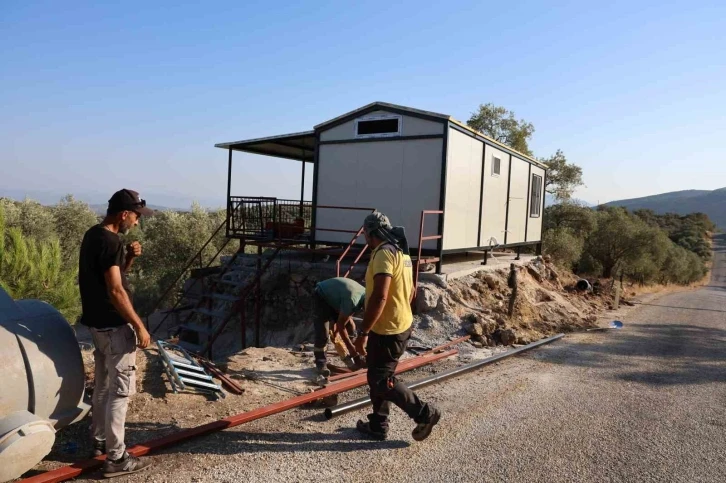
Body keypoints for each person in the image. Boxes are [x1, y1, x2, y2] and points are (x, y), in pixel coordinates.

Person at [78, 189, 153, 478]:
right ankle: (117, 458)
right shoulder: (110, 242)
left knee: (103, 387)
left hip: (97, 327)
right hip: (115, 328)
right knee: (120, 394)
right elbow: (115, 289)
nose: (136, 223)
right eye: (135, 217)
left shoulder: (93, 234)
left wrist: (129, 258)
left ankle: (99, 442)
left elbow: (111, 276)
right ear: (124, 214)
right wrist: (139, 325)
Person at [354, 211, 441, 441]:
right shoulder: (401, 252)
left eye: (365, 233)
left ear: (370, 233)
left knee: (382, 379)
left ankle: (425, 413)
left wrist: (363, 331)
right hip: (398, 324)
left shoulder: (383, 254)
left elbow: (379, 297)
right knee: (377, 374)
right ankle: (378, 424)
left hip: (388, 329)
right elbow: (411, 291)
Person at [312, 277, 366, 377]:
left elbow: (348, 315)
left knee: (350, 326)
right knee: (323, 333)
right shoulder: (353, 299)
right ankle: (321, 364)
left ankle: (353, 356)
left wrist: (338, 332)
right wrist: (352, 349)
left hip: (337, 297)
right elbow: (341, 325)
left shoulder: (365, 295)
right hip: (322, 295)